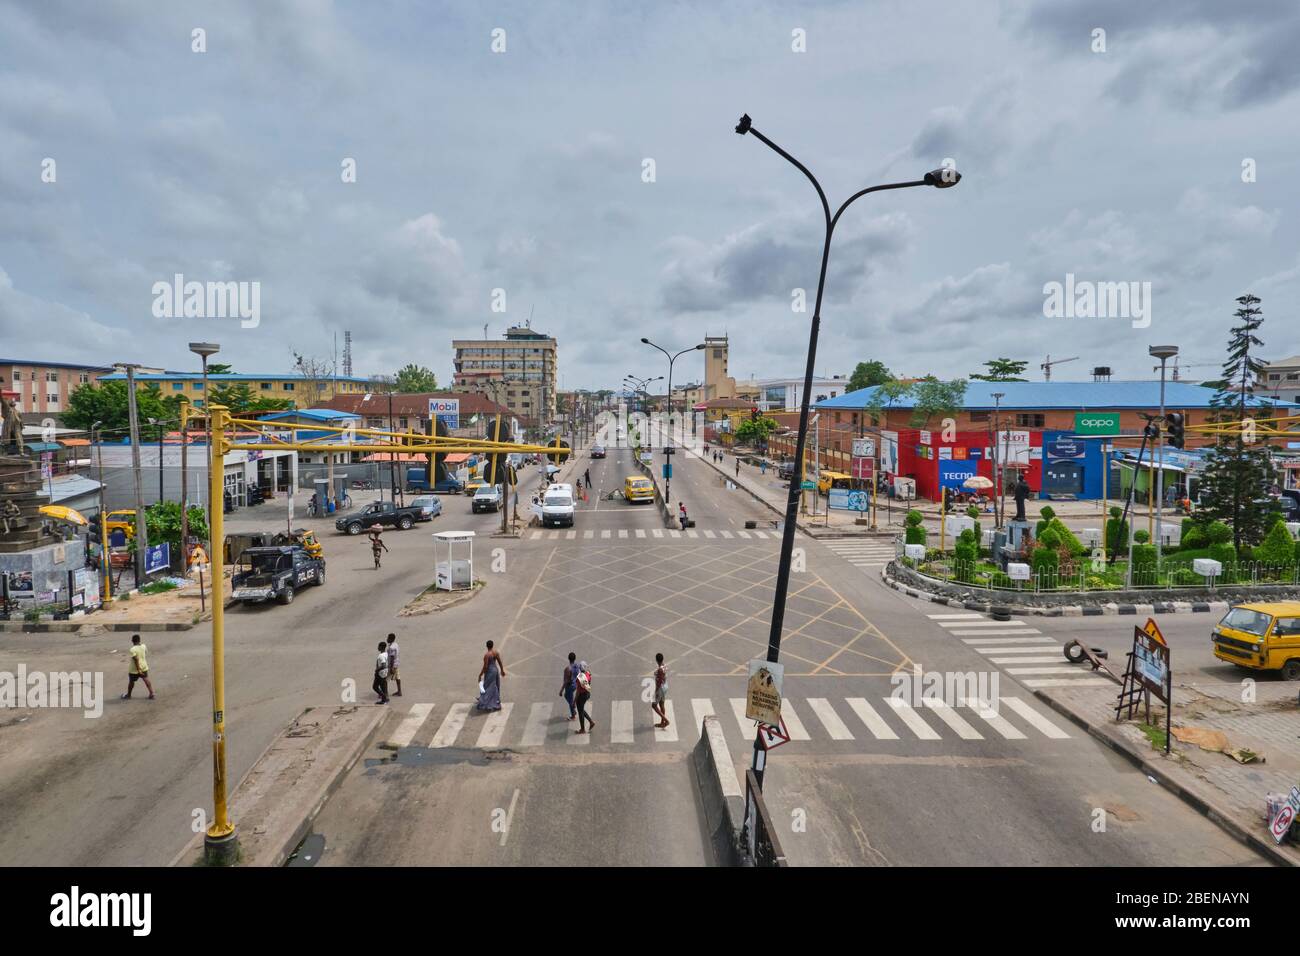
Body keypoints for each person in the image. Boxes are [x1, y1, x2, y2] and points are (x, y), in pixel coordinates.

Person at [121, 634, 155, 700]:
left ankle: (128, 695)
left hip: (134, 669)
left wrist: (138, 670)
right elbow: (144, 653)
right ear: (139, 640)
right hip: (144, 666)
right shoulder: (144, 646)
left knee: (131, 682)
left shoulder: (132, 649)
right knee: (146, 679)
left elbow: (136, 659)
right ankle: (152, 693)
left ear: (132, 641)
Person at [477, 640, 505, 711]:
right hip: (495, 670)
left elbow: (485, 666)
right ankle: (496, 701)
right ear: (492, 645)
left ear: (487, 646)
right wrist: (502, 670)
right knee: (495, 686)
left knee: (487, 686)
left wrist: (481, 674)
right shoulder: (496, 653)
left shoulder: (487, 655)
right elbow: (499, 662)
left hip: (490, 672)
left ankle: (487, 702)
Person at [574, 660, 595, 734]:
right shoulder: (588, 673)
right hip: (587, 693)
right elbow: (587, 685)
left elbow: (578, 691)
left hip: (581, 696)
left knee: (580, 712)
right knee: (581, 710)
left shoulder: (580, 677)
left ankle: (583, 729)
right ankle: (591, 722)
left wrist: (574, 701)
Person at [651, 653, 669, 729]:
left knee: (654, 705)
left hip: (661, 688)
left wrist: (656, 691)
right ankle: (662, 723)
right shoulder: (664, 665)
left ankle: (666, 720)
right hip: (665, 686)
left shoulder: (660, 670)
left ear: (656, 660)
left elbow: (659, 681)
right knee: (661, 704)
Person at [559, 651, 578, 721]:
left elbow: (566, 680)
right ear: (575, 658)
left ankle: (573, 715)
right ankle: (573, 707)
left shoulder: (568, 669)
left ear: (568, 658)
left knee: (568, 698)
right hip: (575, 684)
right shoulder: (576, 666)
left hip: (569, 686)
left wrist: (561, 690)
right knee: (569, 697)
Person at [373, 640, 390, 704]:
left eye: (379, 646)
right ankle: (385, 699)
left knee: (374, 687)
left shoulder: (381, 656)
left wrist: (377, 670)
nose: (378, 647)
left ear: (381, 647)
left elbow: (383, 665)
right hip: (385, 673)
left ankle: (384, 698)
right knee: (383, 687)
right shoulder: (386, 654)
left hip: (380, 674)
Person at [386, 632, 402, 697]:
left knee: (385, 679)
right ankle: (399, 691)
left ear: (390, 639)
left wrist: (391, 667)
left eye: (388, 638)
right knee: (398, 677)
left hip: (392, 665)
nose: (387, 639)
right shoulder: (396, 644)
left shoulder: (391, 647)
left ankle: (385, 693)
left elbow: (392, 657)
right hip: (397, 663)